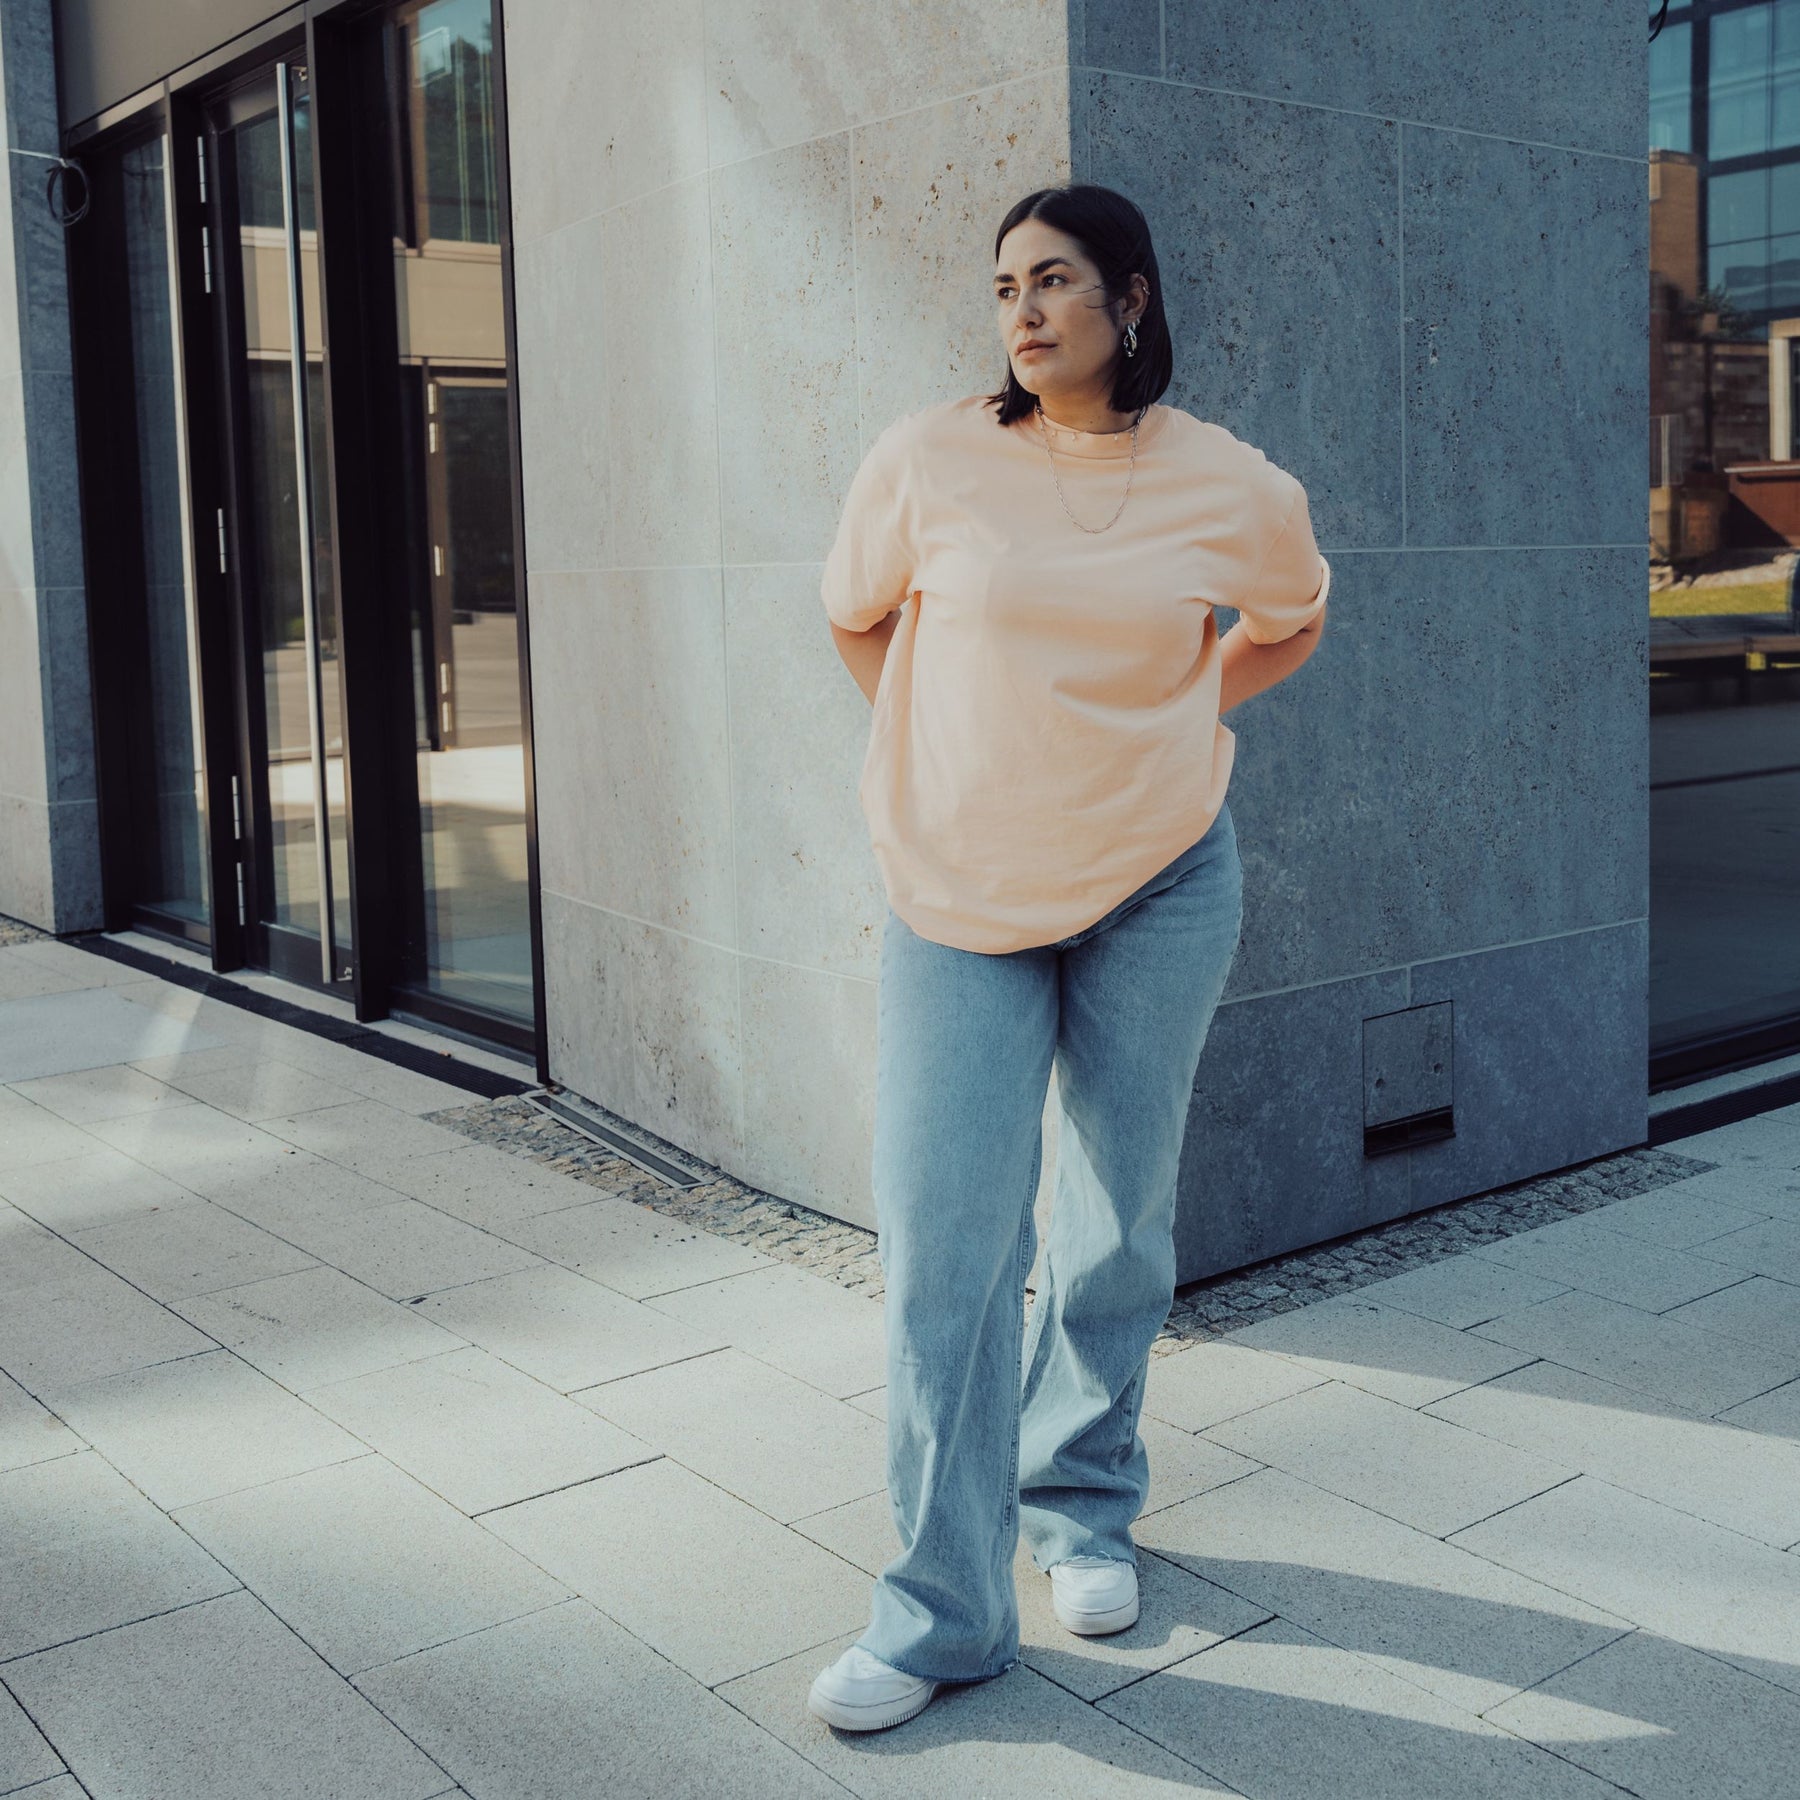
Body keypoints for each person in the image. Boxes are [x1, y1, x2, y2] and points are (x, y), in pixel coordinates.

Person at [807, 184, 1330, 1733]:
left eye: (1053, 281)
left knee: (1115, 1219)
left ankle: (1082, 1503)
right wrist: (952, 757)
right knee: (947, 1253)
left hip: (1160, 885)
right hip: (957, 896)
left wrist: (1192, 710)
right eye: (1002, 287)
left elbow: (1290, 621)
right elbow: (856, 624)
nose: (1022, 310)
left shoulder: (1231, 483)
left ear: (1134, 299)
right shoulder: (928, 458)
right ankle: (942, 1613)